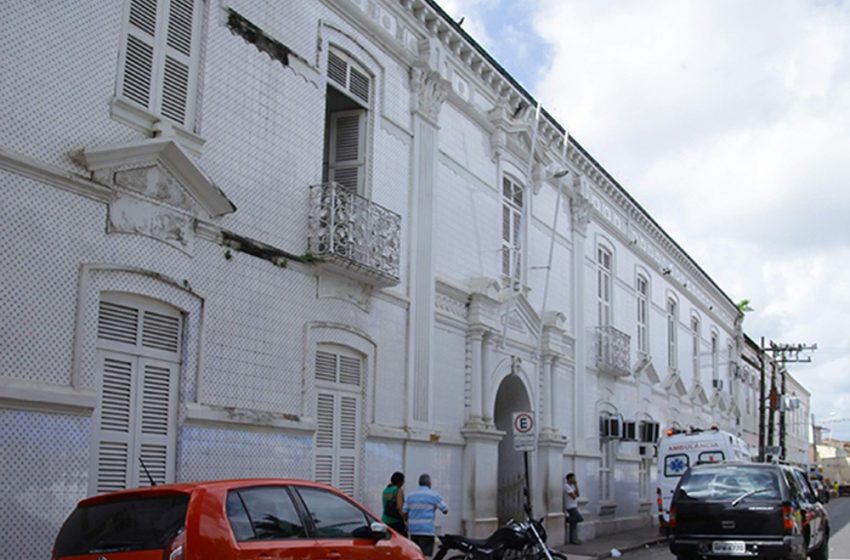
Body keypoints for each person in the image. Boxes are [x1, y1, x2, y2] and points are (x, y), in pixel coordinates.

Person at [403, 473, 448, 557]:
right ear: (429, 483)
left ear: (419, 483)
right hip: (427, 530)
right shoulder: (433, 495)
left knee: (415, 554)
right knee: (425, 555)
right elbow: (445, 510)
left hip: (413, 530)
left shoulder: (410, 495)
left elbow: (404, 512)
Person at [382, 471, 407, 536]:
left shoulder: (386, 490)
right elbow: (399, 507)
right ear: (400, 482)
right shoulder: (398, 491)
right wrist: (405, 518)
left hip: (385, 520)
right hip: (396, 522)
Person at [563, 472, 583, 545]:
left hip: (574, 506)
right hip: (570, 507)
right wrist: (574, 492)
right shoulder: (566, 486)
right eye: (573, 478)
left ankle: (573, 539)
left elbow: (577, 494)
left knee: (574, 524)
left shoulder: (571, 486)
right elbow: (573, 496)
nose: (574, 479)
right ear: (569, 478)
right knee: (579, 518)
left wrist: (576, 485)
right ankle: (565, 519)